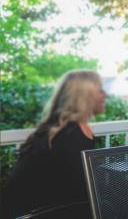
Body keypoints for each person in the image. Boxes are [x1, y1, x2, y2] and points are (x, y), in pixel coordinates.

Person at [2, 70, 106, 218]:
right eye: (100, 90)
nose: (105, 95)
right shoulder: (69, 134)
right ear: (85, 96)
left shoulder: (62, 128)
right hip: (33, 213)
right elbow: (77, 190)